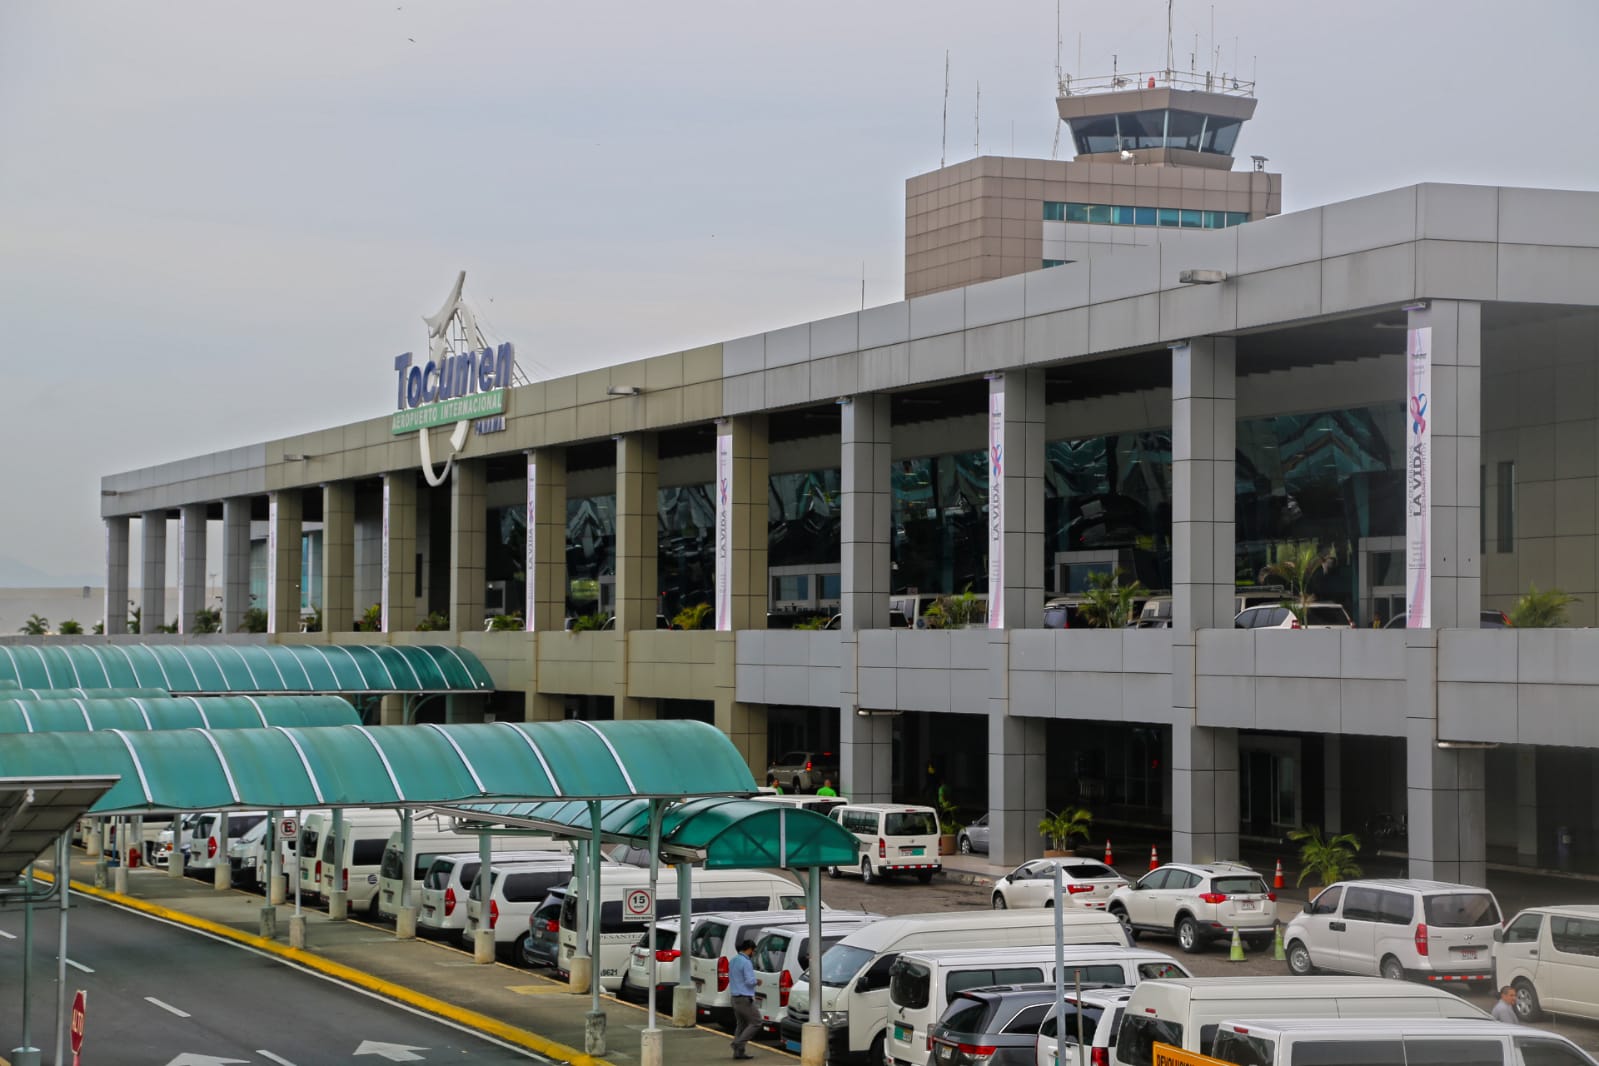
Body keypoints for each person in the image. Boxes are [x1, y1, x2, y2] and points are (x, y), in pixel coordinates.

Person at [729, 938, 761, 1059]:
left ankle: (739, 1053)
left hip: (734, 998)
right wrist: (757, 981)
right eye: (754, 951)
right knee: (756, 1022)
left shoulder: (733, 960)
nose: (754, 954)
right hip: (744, 998)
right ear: (749, 949)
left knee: (741, 1024)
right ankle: (737, 1043)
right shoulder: (746, 962)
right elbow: (749, 981)